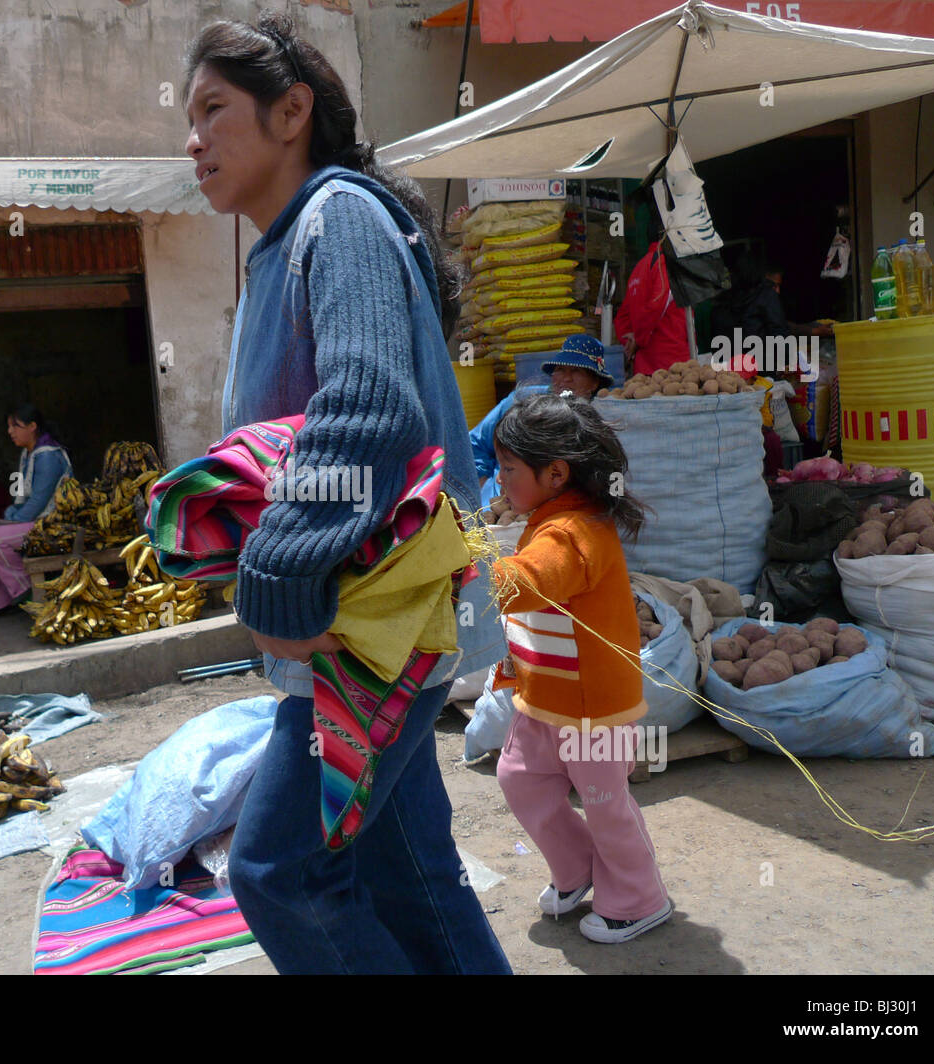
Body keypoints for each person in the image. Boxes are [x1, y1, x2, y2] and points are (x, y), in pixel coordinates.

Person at [183, 11, 510, 974]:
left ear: (291, 113)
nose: (192, 139)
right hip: (380, 625)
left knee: (281, 872)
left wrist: (277, 567)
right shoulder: (285, 244)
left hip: (369, 632)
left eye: (212, 109)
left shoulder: (339, 215)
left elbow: (369, 407)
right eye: (186, 117)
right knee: (410, 875)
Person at [490, 393, 673, 943]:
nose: (500, 481)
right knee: (519, 778)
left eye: (508, 469)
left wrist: (470, 566)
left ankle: (641, 898)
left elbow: (531, 582)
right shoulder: (547, 517)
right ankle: (577, 870)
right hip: (545, 695)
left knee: (604, 804)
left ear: (555, 473)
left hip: (594, 706)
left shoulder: (574, 531)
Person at [470, 335, 613, 506]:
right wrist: (483, 484)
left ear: (594, 382)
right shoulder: (522, 399)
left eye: (577, 371)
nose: (566, 378)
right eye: (560, 369)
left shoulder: (594, 420)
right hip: (497, 505)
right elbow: (475, 443)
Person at [0, 404, 72, 620]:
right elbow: (20, 495)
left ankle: (25, 589)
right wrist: (11, 514)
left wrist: (13, 519)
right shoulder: (28, 455)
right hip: (32, 520)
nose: (10, 431)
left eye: (15, 426)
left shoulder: (47, 456)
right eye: (9, 426)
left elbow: (37, 502)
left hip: (53, 523)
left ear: (33, 426)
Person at [616, 232, 690, 376]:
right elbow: (658, 303)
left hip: (644, 366)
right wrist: (638, 339)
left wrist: (629, 342)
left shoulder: (638, 268)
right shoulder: (665, 263)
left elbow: (622, 317)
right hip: (671, 363)